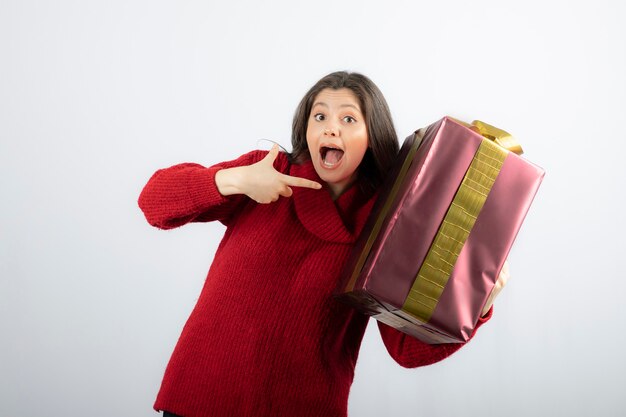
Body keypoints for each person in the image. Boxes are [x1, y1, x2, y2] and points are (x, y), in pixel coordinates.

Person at [138, 71, 507, 417]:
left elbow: (406, 350)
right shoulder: (266, 171)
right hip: (199, 399)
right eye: (319, 117)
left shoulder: (387, 225)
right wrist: (232, 180)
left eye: (348, 119)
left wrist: (479, 303)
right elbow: (153, 202)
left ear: (371, 135)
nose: (331, 128)